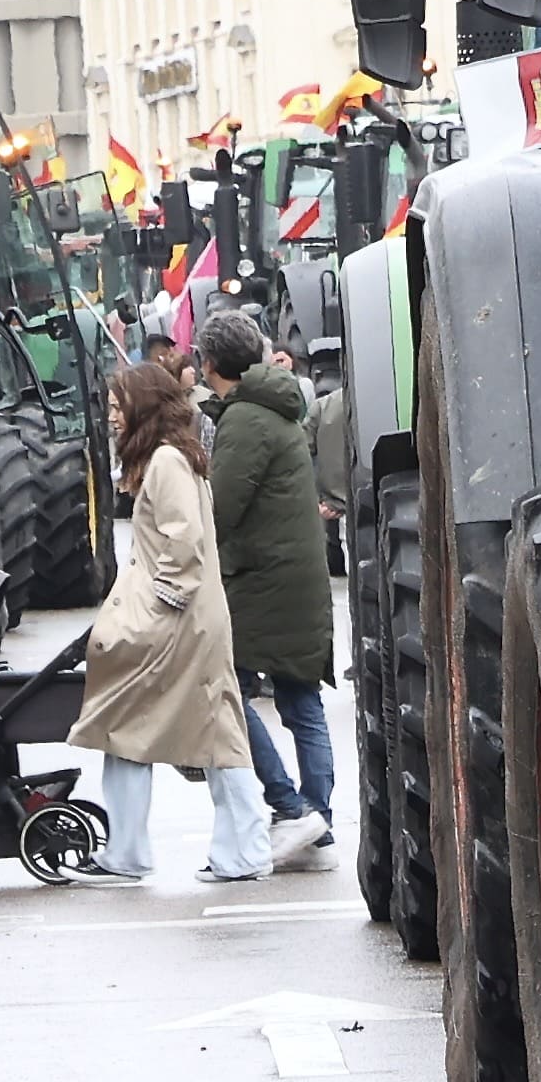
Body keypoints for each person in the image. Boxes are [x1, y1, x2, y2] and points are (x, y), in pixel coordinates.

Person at [69, 360, 270, 883]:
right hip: (194, 620)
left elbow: (184, 540)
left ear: (143, 407)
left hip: (178, 620)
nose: (112, 416)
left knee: (128, 727)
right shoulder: (175, 458)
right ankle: (241, 849)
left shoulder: (164, 462)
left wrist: (159, 603)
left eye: (118, 406)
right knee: (213, 733)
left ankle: (133, 852)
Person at [198, 312, 337, 862]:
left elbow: (221, 508)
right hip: (295, 575)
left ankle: (293, 808)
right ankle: (317, 821)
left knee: (225, 690)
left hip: (262, 579)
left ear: (209, 363)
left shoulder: (245, 419)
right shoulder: (273, 405)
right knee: (301, 697)